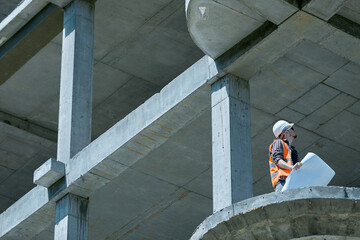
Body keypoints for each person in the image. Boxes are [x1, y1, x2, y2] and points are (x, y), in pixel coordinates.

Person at [269, 120, 302, 192]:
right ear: (286, 132)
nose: (293, 130)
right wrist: (292, 167)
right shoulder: (278, 143)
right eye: (291, 128)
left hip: (293, 181)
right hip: (283, 182)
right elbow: (277, 160)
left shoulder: (293, 150)